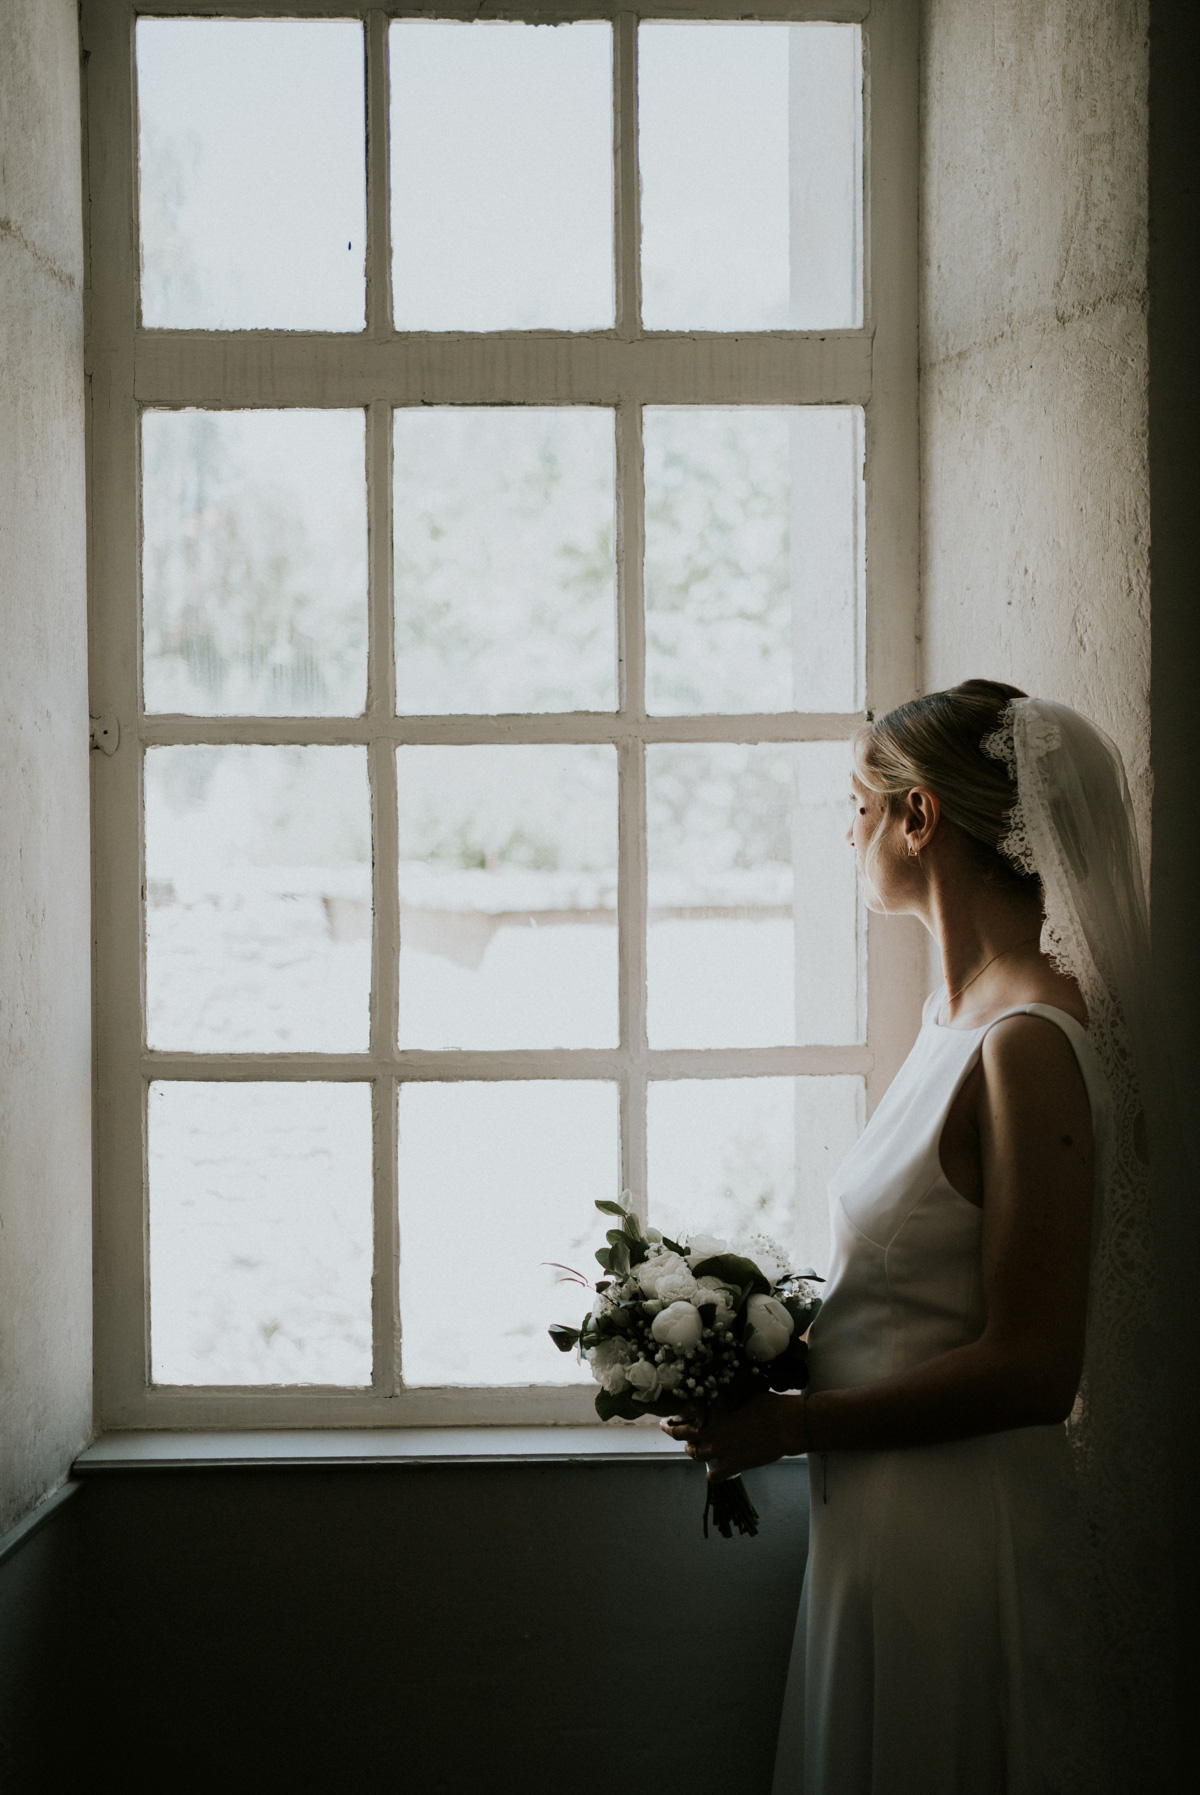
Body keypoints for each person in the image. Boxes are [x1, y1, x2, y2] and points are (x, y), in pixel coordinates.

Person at [662, 680, 1167, 1794]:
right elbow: (911, 1293)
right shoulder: (953, 1022)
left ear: (920, 818)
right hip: (883, 1524)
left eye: (859, 802)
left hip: (956, 1535)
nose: (848, 831)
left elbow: (1036, 1367)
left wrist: (791, 1424)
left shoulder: (1026, 1041)